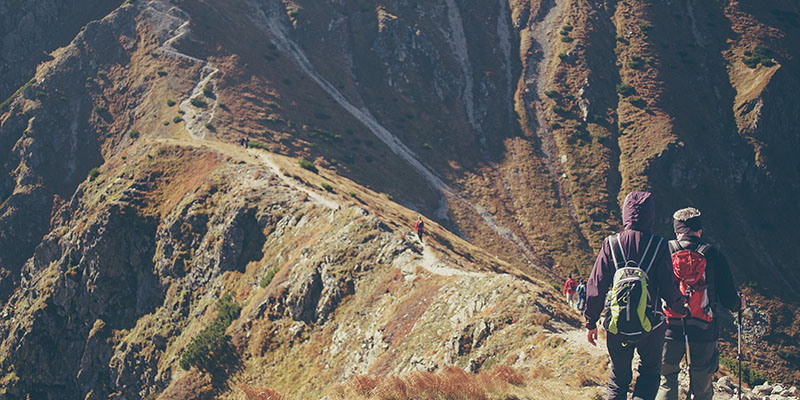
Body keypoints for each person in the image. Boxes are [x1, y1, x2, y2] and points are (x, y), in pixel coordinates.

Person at [585, 192, 686, 400]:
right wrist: (681, 308)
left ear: (625, 214)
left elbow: (596, 285)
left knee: (618, 379)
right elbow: (669, 286)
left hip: (616, 326)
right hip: (652, 327)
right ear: (651, 216)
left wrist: (591, 322)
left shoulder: (611, 244)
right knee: (649, 374)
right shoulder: (660, 245)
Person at [656, 207, 743, 400]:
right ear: (699, 230)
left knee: (666, 379)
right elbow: (729, 300)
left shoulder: (664, 251)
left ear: (676, 231)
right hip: (704, 329)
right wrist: (739, 304)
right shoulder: (714, 255)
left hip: (669, 328)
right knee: (701, 386)